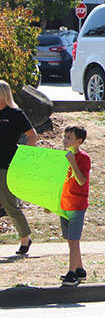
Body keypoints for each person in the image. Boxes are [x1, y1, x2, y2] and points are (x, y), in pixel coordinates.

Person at [0, 80, 35, 257]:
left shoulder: (15, 114)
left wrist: (24, 157)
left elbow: (32, 136)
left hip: (7, 165)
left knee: (9, 205)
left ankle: (25, 238)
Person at [59, 125, 90, 285]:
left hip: (77, 204)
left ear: (79, 141)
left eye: (69, 138)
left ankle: (71, 273)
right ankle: (79, 269)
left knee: (74, 239)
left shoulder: (83, 158)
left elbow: (81, 180)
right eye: (64, 137)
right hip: (64, 203)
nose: (65, 140)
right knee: (69, 240)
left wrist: (72, 162)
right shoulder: (62, 157)